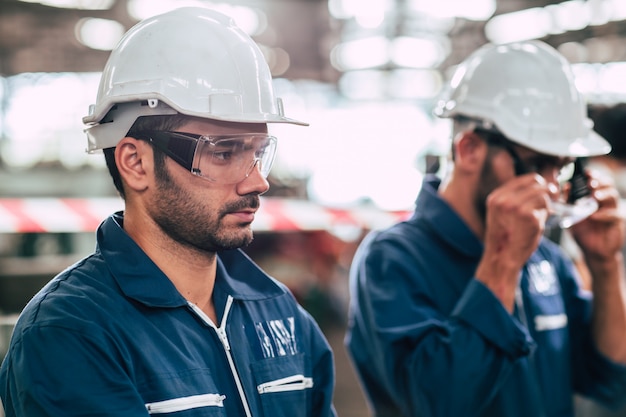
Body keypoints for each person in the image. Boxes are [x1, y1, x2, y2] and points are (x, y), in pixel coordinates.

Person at [0, 7, 337, 417]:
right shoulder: (71, 333)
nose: (257, 182)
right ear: (135, 162)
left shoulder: (279, 311)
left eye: (258, 153)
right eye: (224, 151)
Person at [345, 40, 626, 417]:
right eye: (537, 163)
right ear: (470, 149)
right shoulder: (392, 260)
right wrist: (502, 263)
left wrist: (604, 264)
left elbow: (609, 379)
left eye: (559, 168)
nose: (551, 187)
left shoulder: (547, 260)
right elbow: (436, 404)